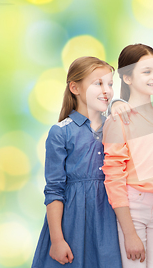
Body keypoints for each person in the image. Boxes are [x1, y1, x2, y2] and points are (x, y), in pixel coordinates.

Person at [32, 56, 122, 268]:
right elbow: (54, 189)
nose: (106, 90)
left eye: (110, 84)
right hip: (73, 223)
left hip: (111, 221)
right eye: (98, 83)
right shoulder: (61, 132)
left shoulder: (117, 127)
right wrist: (57, 240)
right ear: (75, 87)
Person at [102, 44, 153, 268]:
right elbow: (114, 178)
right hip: (134, 207)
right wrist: (129, 232)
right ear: (127, 78)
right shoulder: (118, 119)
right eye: (147, 71)